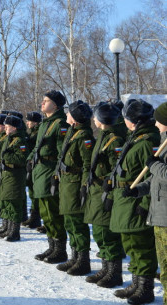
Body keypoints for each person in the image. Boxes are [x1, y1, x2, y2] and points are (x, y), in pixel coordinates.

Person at [109, 99, 159, 304]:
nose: (125, 121)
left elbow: (153, 176)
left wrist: (144, 204)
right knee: (130, 244)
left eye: (127, 118)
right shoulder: (135, 138)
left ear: (136, 121)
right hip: (126, 200)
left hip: (137, 201)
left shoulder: (148, 142)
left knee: (142, 246)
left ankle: (145, 288)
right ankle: (136, 283)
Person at [83, 101, 126, 288]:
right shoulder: (103, 136)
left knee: (106, 233)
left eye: (96, 116)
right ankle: (106, 268)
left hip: (105, 190)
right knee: (100, 232)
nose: (93, 119)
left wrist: (108, 186)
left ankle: (114, 273)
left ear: (102, 119)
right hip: (96, 189)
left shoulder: (114, 139)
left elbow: (116, 168)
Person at [129, 101, 167, 305]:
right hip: (160, 213)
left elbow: (164, 174)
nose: (156, 123)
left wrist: (154, 166)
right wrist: (137, 190)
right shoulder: (163, 140)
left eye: (159, 120)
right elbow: (155, 180)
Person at [30, 90, 70, 264]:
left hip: (49, 171)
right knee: (45, 213)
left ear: (55, 104)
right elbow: (38, 147)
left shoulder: (60, 123)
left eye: (46, 101)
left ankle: (60, 250)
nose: (42, 103)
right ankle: (52, 246)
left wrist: (56, 174)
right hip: (40, 171)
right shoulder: (46, 123)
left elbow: (63, 152)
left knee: (53, 213)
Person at [54, 100, 94, 275]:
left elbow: (87, 165)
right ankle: (74, 257)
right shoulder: (72, 132)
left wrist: (84, 186)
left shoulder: (84, 137)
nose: (66, 115)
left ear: (75, 119)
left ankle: (83, 260)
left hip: (75, 184)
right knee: (69, 222)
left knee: (77, 223)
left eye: (69, 113)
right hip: (66, 183)